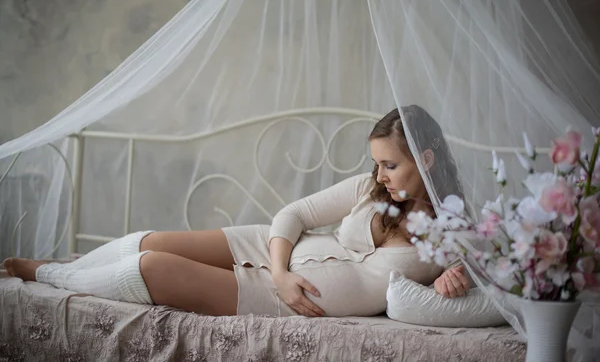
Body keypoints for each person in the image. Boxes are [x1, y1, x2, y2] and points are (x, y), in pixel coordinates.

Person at [3, 106, 470, 317]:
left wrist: (457, 276)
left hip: (285, 299)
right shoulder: (370, 189)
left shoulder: (459, 231)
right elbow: (293, 213)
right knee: (152, 242)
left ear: (425, 160)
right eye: (377, 163)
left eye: (390, 164)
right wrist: (282, 269)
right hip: (280, 257)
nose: (381, 174)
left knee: (150, 267)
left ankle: (54, 276)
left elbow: (484, 271)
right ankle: (50, 271)